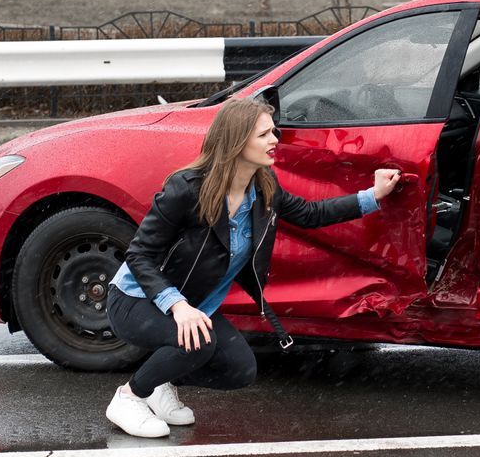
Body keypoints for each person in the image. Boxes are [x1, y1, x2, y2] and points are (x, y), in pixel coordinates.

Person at [102, 96, 401, 438]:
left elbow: (311, 214)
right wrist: (177, 305)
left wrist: (373, 195)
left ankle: (158, 381)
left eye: (273, 132)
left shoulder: (264, 188)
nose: (275, 140)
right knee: (200, 343)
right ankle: (129, 396)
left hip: (194, 306)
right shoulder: (186, 190)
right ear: (236, 140)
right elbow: (139, 255)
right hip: (137, 299)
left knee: (239, 370)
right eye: (264, 135)